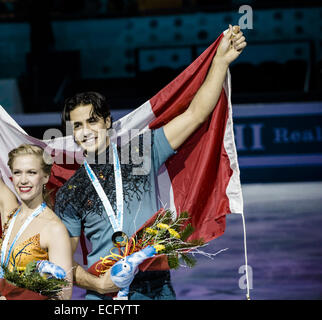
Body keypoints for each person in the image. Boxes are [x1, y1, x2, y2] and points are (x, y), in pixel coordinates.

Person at [54, 25, 247, 300]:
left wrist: (220, 61)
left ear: (108, 122)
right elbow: (63, 261)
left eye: (92, 121)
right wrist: (97, 286)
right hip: (105, 295)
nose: (85, 131)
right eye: (77, 125)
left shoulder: (141, 152)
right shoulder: (71, 192)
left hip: (157, 288)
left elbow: (196, 114)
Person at [0, 144, 73, 300]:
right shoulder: (10, 213)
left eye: (31, 172)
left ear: (45, 176)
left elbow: (63, 295)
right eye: (17, 173)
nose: (23, 180)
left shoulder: (54, 228)